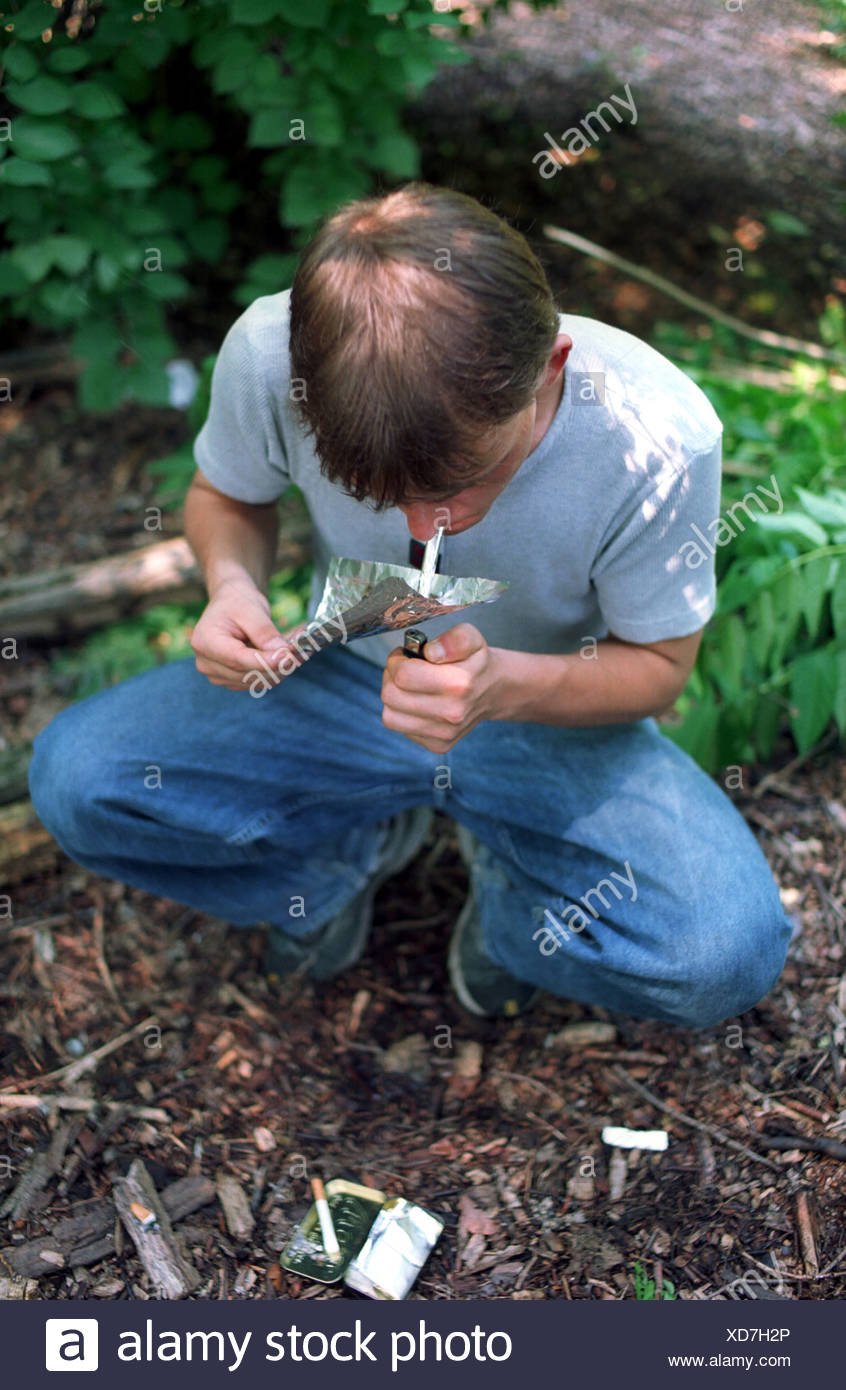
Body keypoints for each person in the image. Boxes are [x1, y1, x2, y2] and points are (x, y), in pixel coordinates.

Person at [29, 182, 792, 1026]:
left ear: (551, 369)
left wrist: (503, 687)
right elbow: (227, 496)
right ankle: (336, 868)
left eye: (465, 482)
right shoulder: (270, 357)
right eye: (380, 494)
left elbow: (659, 670)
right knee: (79, 782)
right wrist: (233, 585)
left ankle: (513, 912)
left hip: (545, 707)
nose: (430, 526)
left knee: (722, 955)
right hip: (341, 677)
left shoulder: (656, 438)